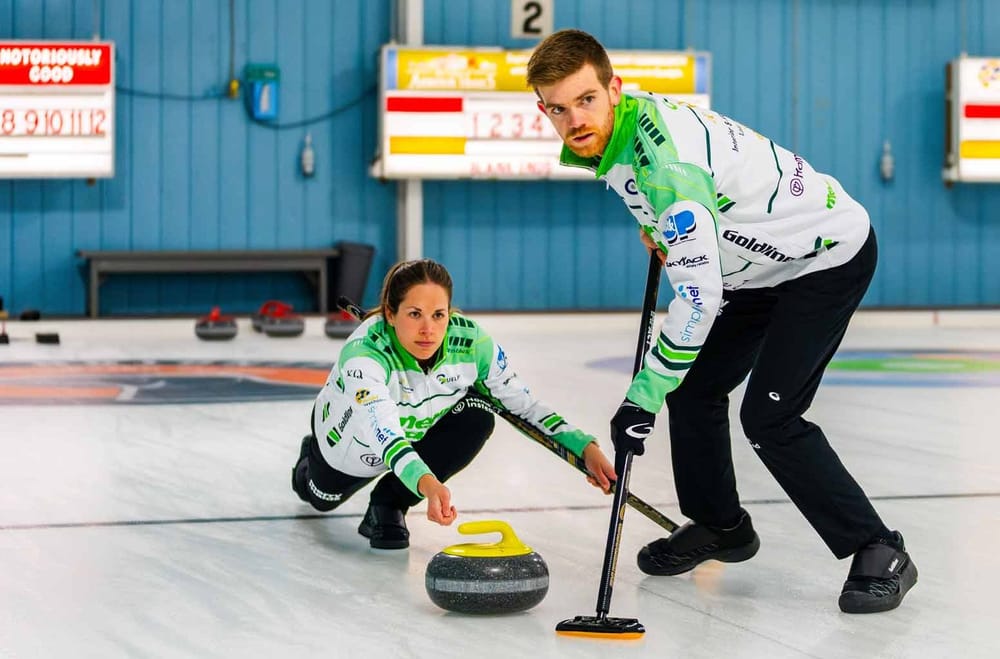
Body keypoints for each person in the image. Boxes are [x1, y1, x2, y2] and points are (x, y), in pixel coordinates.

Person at [526, 29, 916, 614]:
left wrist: (641, 397)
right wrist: (664, 231)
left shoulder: (665, 163)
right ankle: (720, 525)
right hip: (758, 266)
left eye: (585, 100)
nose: (574, 119)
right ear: (543, 110)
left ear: (614, 88)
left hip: (823, 256)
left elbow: (699, 295)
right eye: (558, 108)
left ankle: (880, 549)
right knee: (696, 388)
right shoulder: (621, 135)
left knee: (771, 415)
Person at [292, 257, 616, 549]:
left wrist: (583, 447)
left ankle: (388, 504)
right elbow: (385, 434)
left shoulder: (472, 342)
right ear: (390, 314)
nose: (428, 330)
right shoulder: (364, 356)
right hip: (350, 447)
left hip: (414, 432)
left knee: (477, 414)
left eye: (438, 315)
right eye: (414, 314)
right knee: (319, 499)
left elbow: (523, 405)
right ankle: (308, 462)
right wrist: (429, 485)